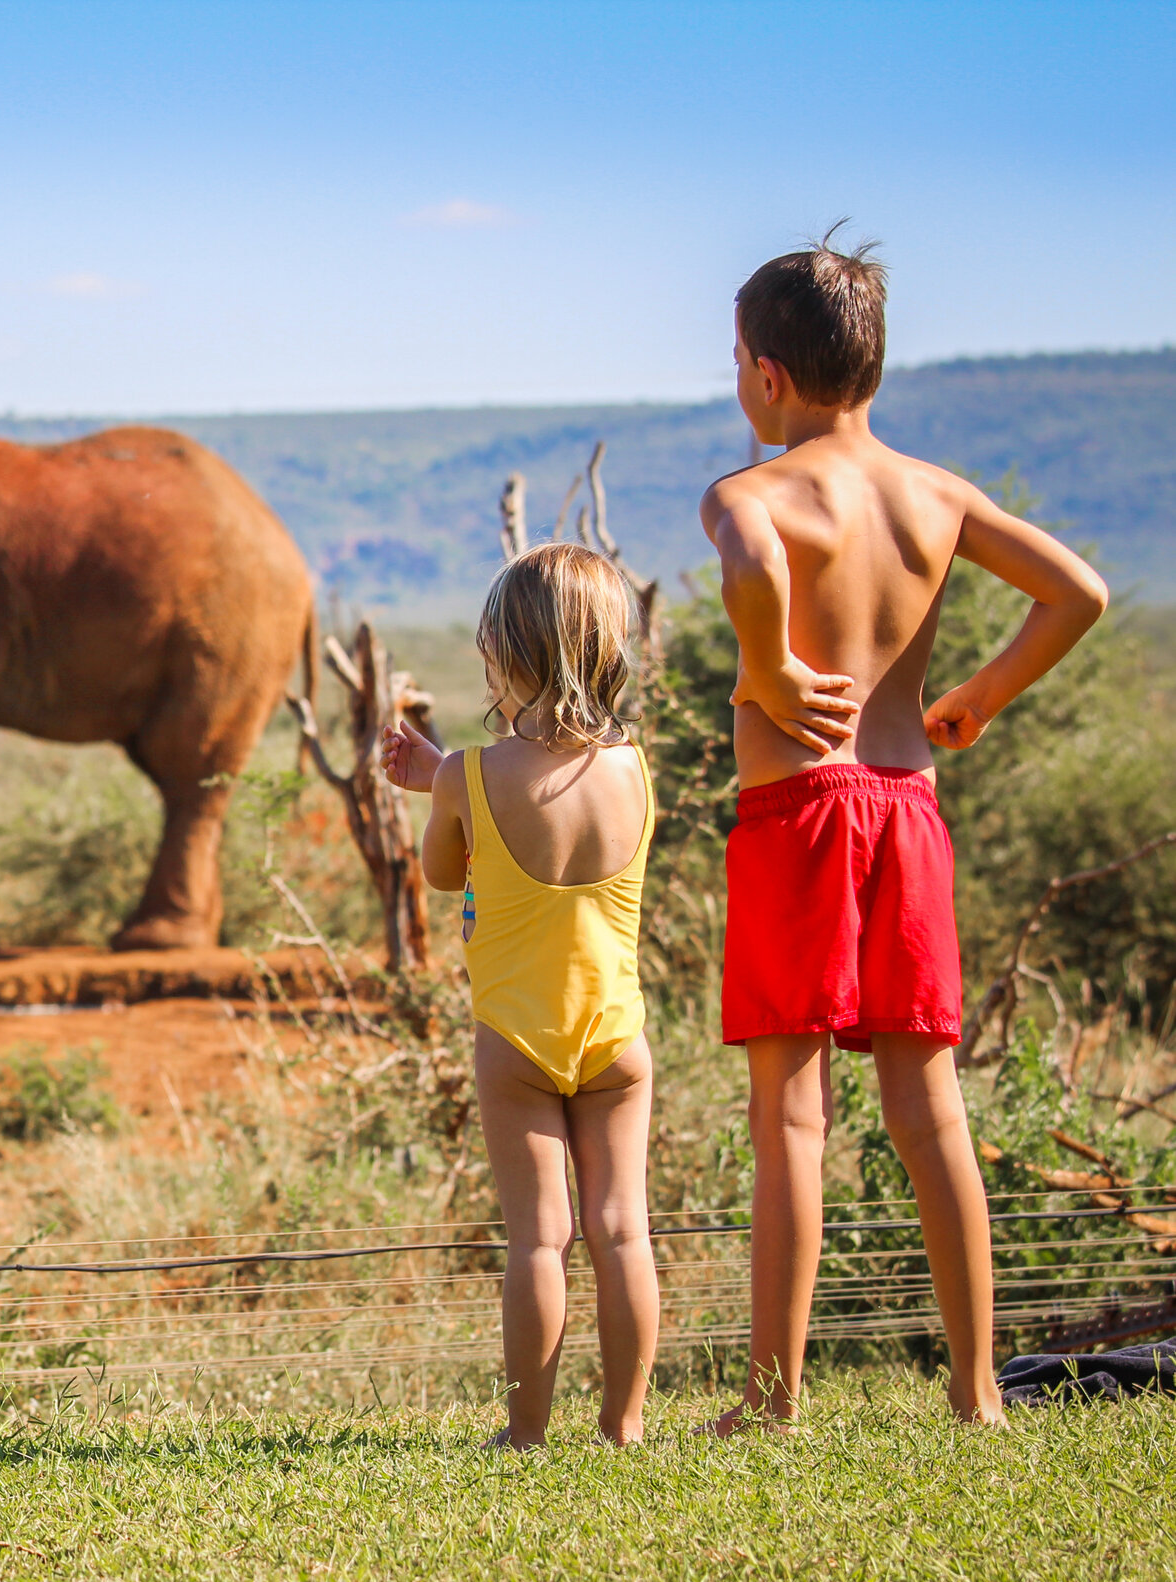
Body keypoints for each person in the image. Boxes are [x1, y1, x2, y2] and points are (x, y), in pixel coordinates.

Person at [701, 233, 1109, 1432]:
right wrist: (979, 694)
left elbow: (750, 550)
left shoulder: (750, 488)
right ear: (870, 371)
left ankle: (772, 1402)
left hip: (799, 813)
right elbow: (1076, 591)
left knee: (790, 1115)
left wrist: (771, 667)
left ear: (767, 377)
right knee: (929, 1107)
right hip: (907, 806)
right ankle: (976, 1386)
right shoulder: (937, 494)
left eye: (735, 360)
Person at [381, 544, 660, 1448]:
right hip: (617, 1036)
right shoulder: (635, 770)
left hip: (517, 1039)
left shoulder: (469, 772)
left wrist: (438, 781)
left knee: (542, 1240)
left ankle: (527, 1435)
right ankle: (623, 1426)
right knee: (623, 1232)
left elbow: (440, 870)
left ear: (504, 648)